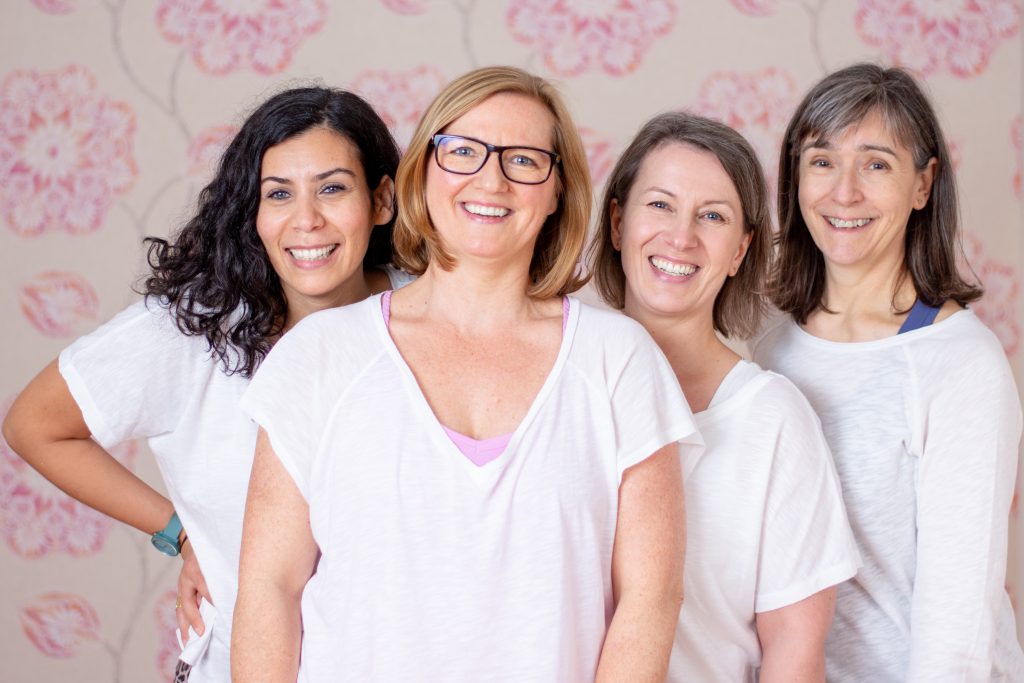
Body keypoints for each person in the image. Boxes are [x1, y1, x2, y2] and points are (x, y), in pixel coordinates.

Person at [231, 65, 700, 683]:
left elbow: (651, 597)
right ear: (422, 172)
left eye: (525, 160)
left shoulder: (619, 361)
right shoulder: (321, 356)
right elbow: (270, 588)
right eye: (463, 151)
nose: (492, 179)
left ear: (558, 189)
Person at [1, 86, 409, 683]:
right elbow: (34, 425)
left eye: (332, 187)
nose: (307, 219)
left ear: (381, 201)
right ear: (253, 212)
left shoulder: (431, 315)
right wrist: (181, 534)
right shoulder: (194, 329)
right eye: (278, 194)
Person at [751, 63, 1024, 680]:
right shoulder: (770, 351)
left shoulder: (959, 365)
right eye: (822, 161)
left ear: (923, 184)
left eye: (875, 164)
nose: (843, 192)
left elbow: (959, 627)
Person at [589, 110, 860, 681]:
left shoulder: (773, 419)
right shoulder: (556, 377)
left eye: (712, 216)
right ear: (618, 223)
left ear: (740, 250)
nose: (680, 237)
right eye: (659, 204)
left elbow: (794, 650)